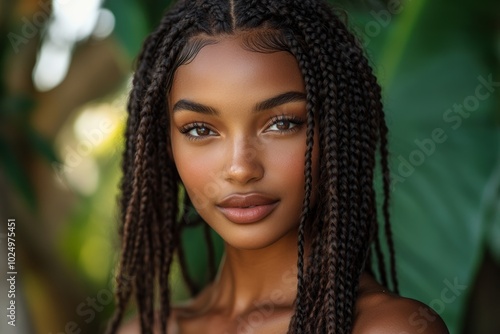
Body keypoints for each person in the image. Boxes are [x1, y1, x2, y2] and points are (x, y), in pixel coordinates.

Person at [107, 0, 449, 333]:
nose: (241, 168)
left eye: (282, 124)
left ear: (336, 132)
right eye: (200, 129)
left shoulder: (388, 328)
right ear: (165, 145)